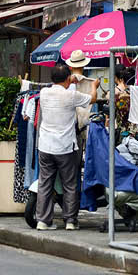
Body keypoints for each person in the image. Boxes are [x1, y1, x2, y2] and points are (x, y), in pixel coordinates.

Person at [35, 63, 98, 231]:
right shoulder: (71, 95)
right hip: (65, 147)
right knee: (69, 184)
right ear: (68, 79)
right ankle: (70, 221)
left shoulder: (43, 93)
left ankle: (43, 221)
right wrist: (94, 85)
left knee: (45, 184)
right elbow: (92, 99)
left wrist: (70, 82)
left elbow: (59, 89)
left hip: (45, 146)